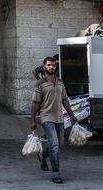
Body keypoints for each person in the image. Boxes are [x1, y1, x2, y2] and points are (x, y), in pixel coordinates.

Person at [30, 57, 77, 185]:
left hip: (59, 118)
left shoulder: (60, 82)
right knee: (54, 145)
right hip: (46, 117)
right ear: (44, 66)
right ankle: (55, 172)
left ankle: (43, 156)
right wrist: (32, 120)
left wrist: (71, 115)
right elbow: (35, 103)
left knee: (59, 144)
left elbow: (65, 100)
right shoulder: (40, 84)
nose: (51, 67)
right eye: (49, 65)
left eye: (53, 65)